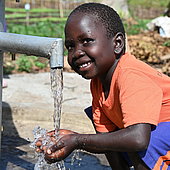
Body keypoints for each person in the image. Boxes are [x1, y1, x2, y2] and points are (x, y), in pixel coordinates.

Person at [36, 3, 170, 170]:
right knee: (114, 137)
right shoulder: (98, 84)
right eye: (70, 46)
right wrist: (71, 139)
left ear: (117, 43)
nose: (76, 53)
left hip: (157, 136)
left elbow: (138, 139)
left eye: (87, 41)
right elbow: (106, 142)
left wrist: (78, 140)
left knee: (141, 142)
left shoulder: (131, 76)